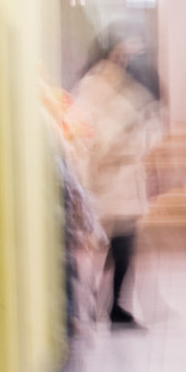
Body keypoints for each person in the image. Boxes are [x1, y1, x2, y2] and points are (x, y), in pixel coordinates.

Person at [66, 28, 161, 328]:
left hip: (123, 186)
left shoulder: (124, 87)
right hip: (105, 187)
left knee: (121, 249)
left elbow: (145, 126)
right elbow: (94, 139)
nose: (125, 59)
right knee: (108, 250)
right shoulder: (92, 90)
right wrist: (128, 132)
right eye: (121, 53)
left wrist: (142, 132)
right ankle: (101, 305)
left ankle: (112, 307)